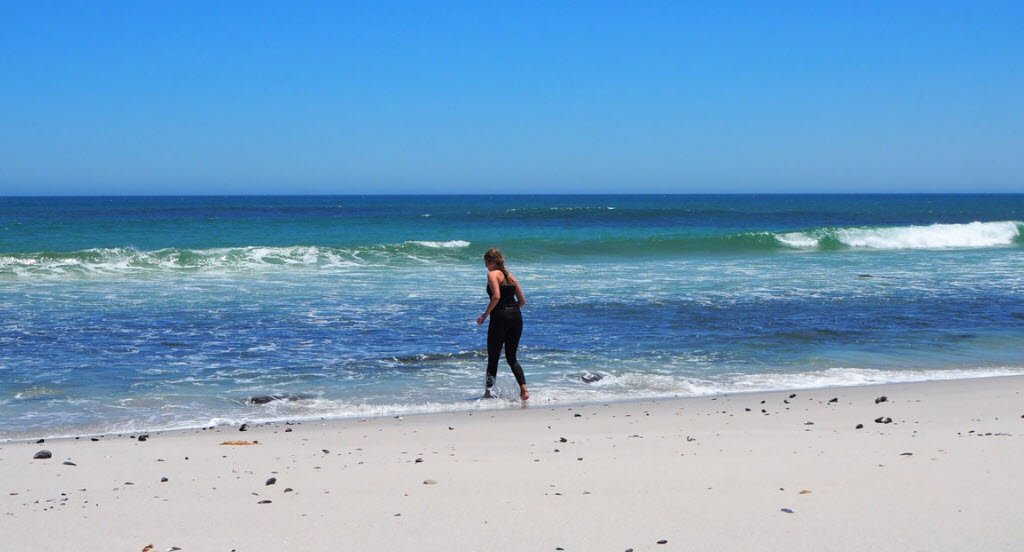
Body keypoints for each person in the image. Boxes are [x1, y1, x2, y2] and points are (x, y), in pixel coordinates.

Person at [476, 248, 529, 400]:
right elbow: (523, 301)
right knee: (512, 357)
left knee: (493, 357)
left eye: (487, 263)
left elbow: (496, 296)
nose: (486, 266)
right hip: (516, 318)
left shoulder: (492, 274)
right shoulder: (511, 277)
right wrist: (511, 310)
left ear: (492, 261)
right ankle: (524, 390)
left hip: (499, 318)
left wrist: (485, 315)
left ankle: (488, 393)